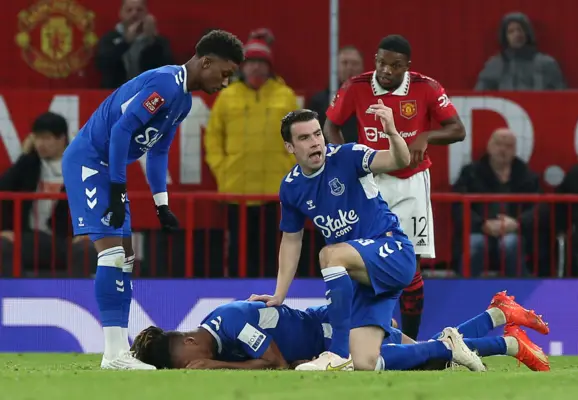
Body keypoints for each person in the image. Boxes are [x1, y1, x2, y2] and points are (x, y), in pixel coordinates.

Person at [61, 29, 245, 370]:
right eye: (225, 73)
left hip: (108, 169)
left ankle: (119, 351)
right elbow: (120, 131)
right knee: (113, 255)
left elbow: (158, 150)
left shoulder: (184, 100)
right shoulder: (166, 84)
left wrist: (162, 203)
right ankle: (114, 355)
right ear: (206, 62)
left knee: (126, 256)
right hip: (90, 163)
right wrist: (117, 188)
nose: (225, 82)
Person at [249, 104, 422, 372]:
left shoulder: (348, 155)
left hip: (392, 250)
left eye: (317, 134)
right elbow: (291, 240)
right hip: (361, 277)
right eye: (304, 138)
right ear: (290, 147)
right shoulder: (291, 187)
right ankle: (457, 347)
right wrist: (279, 294)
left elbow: (399, 161)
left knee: (329, 254)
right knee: (366, 362)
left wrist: (392, 132)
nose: (315, 142)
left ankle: (337, 354)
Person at [324, 35, 466, 340]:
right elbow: (330, 124)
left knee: (409, 265)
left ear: (407, 66)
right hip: (371, 181)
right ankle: (362, 333)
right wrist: (345, 158)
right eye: (382, 63)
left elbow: (458, 130)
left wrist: (425, 136)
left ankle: (410, 342)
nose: (387, 70)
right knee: (363, 259)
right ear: (375, 59)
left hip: (411, 183)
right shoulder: (356, 86)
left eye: (395, 65)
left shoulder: (426, 87)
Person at [130, 291, 549, 372]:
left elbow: (274, 363)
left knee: (419, 358)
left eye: (184, 364)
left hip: (336, 328)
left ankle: (509, 343)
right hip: (326, 332)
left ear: (187, 343)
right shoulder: (223, 327)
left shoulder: (230, 322)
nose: (191, 369)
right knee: (428, 353)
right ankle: (499, 314)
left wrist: (212, 367)